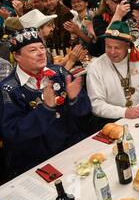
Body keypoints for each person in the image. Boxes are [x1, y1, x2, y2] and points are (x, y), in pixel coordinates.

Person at [0, 28, 90, 177]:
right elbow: (13, 133)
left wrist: (75, 99)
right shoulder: (8, 89)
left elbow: (84, 112)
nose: (41, 52)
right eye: (33, 50)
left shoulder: (59, 73)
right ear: (17, 56)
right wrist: (46, 109)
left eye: (42, 47)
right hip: (36, 163)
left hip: (71, 149)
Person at [86, 21, 139, 131]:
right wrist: (124, 112)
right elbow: (96, 105)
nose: (112, 52)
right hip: (112, 122)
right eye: (108, 46)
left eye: (117, 47)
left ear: (127, 46)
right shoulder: (95, 68)